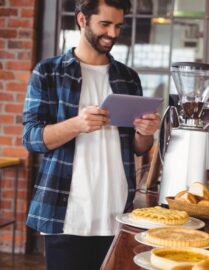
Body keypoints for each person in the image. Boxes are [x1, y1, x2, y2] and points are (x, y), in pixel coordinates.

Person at [22, 0, 160, 269]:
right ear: (82, 20)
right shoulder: (49, 73)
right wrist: (76, 124)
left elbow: (138, 147)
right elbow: (31, 138)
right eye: (105, 24)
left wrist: (146, 133)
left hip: (118, 214)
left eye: (118, 26)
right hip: (67, 215)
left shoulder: (128, 77)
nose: (113, 33)